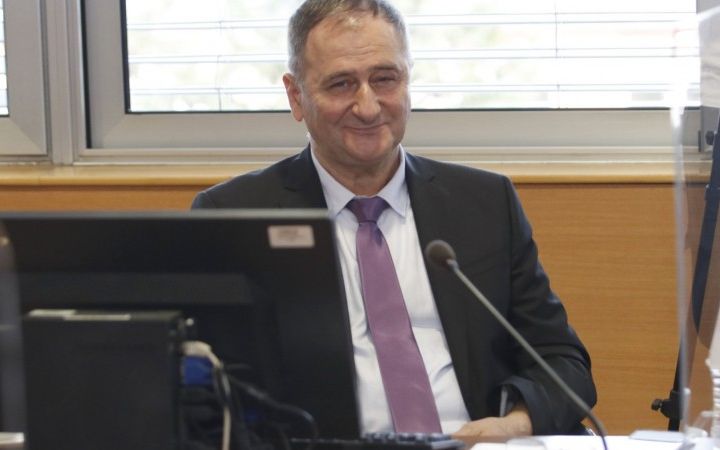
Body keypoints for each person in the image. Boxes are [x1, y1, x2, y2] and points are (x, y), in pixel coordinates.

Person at [192, 0, 596, 443]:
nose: (368, 107)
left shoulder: (484, 204)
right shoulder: (233, 218)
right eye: (341, 84)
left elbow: (562, 362)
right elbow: (206, 391)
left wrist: (510, 427)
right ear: (296, 96)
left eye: (385, 79)